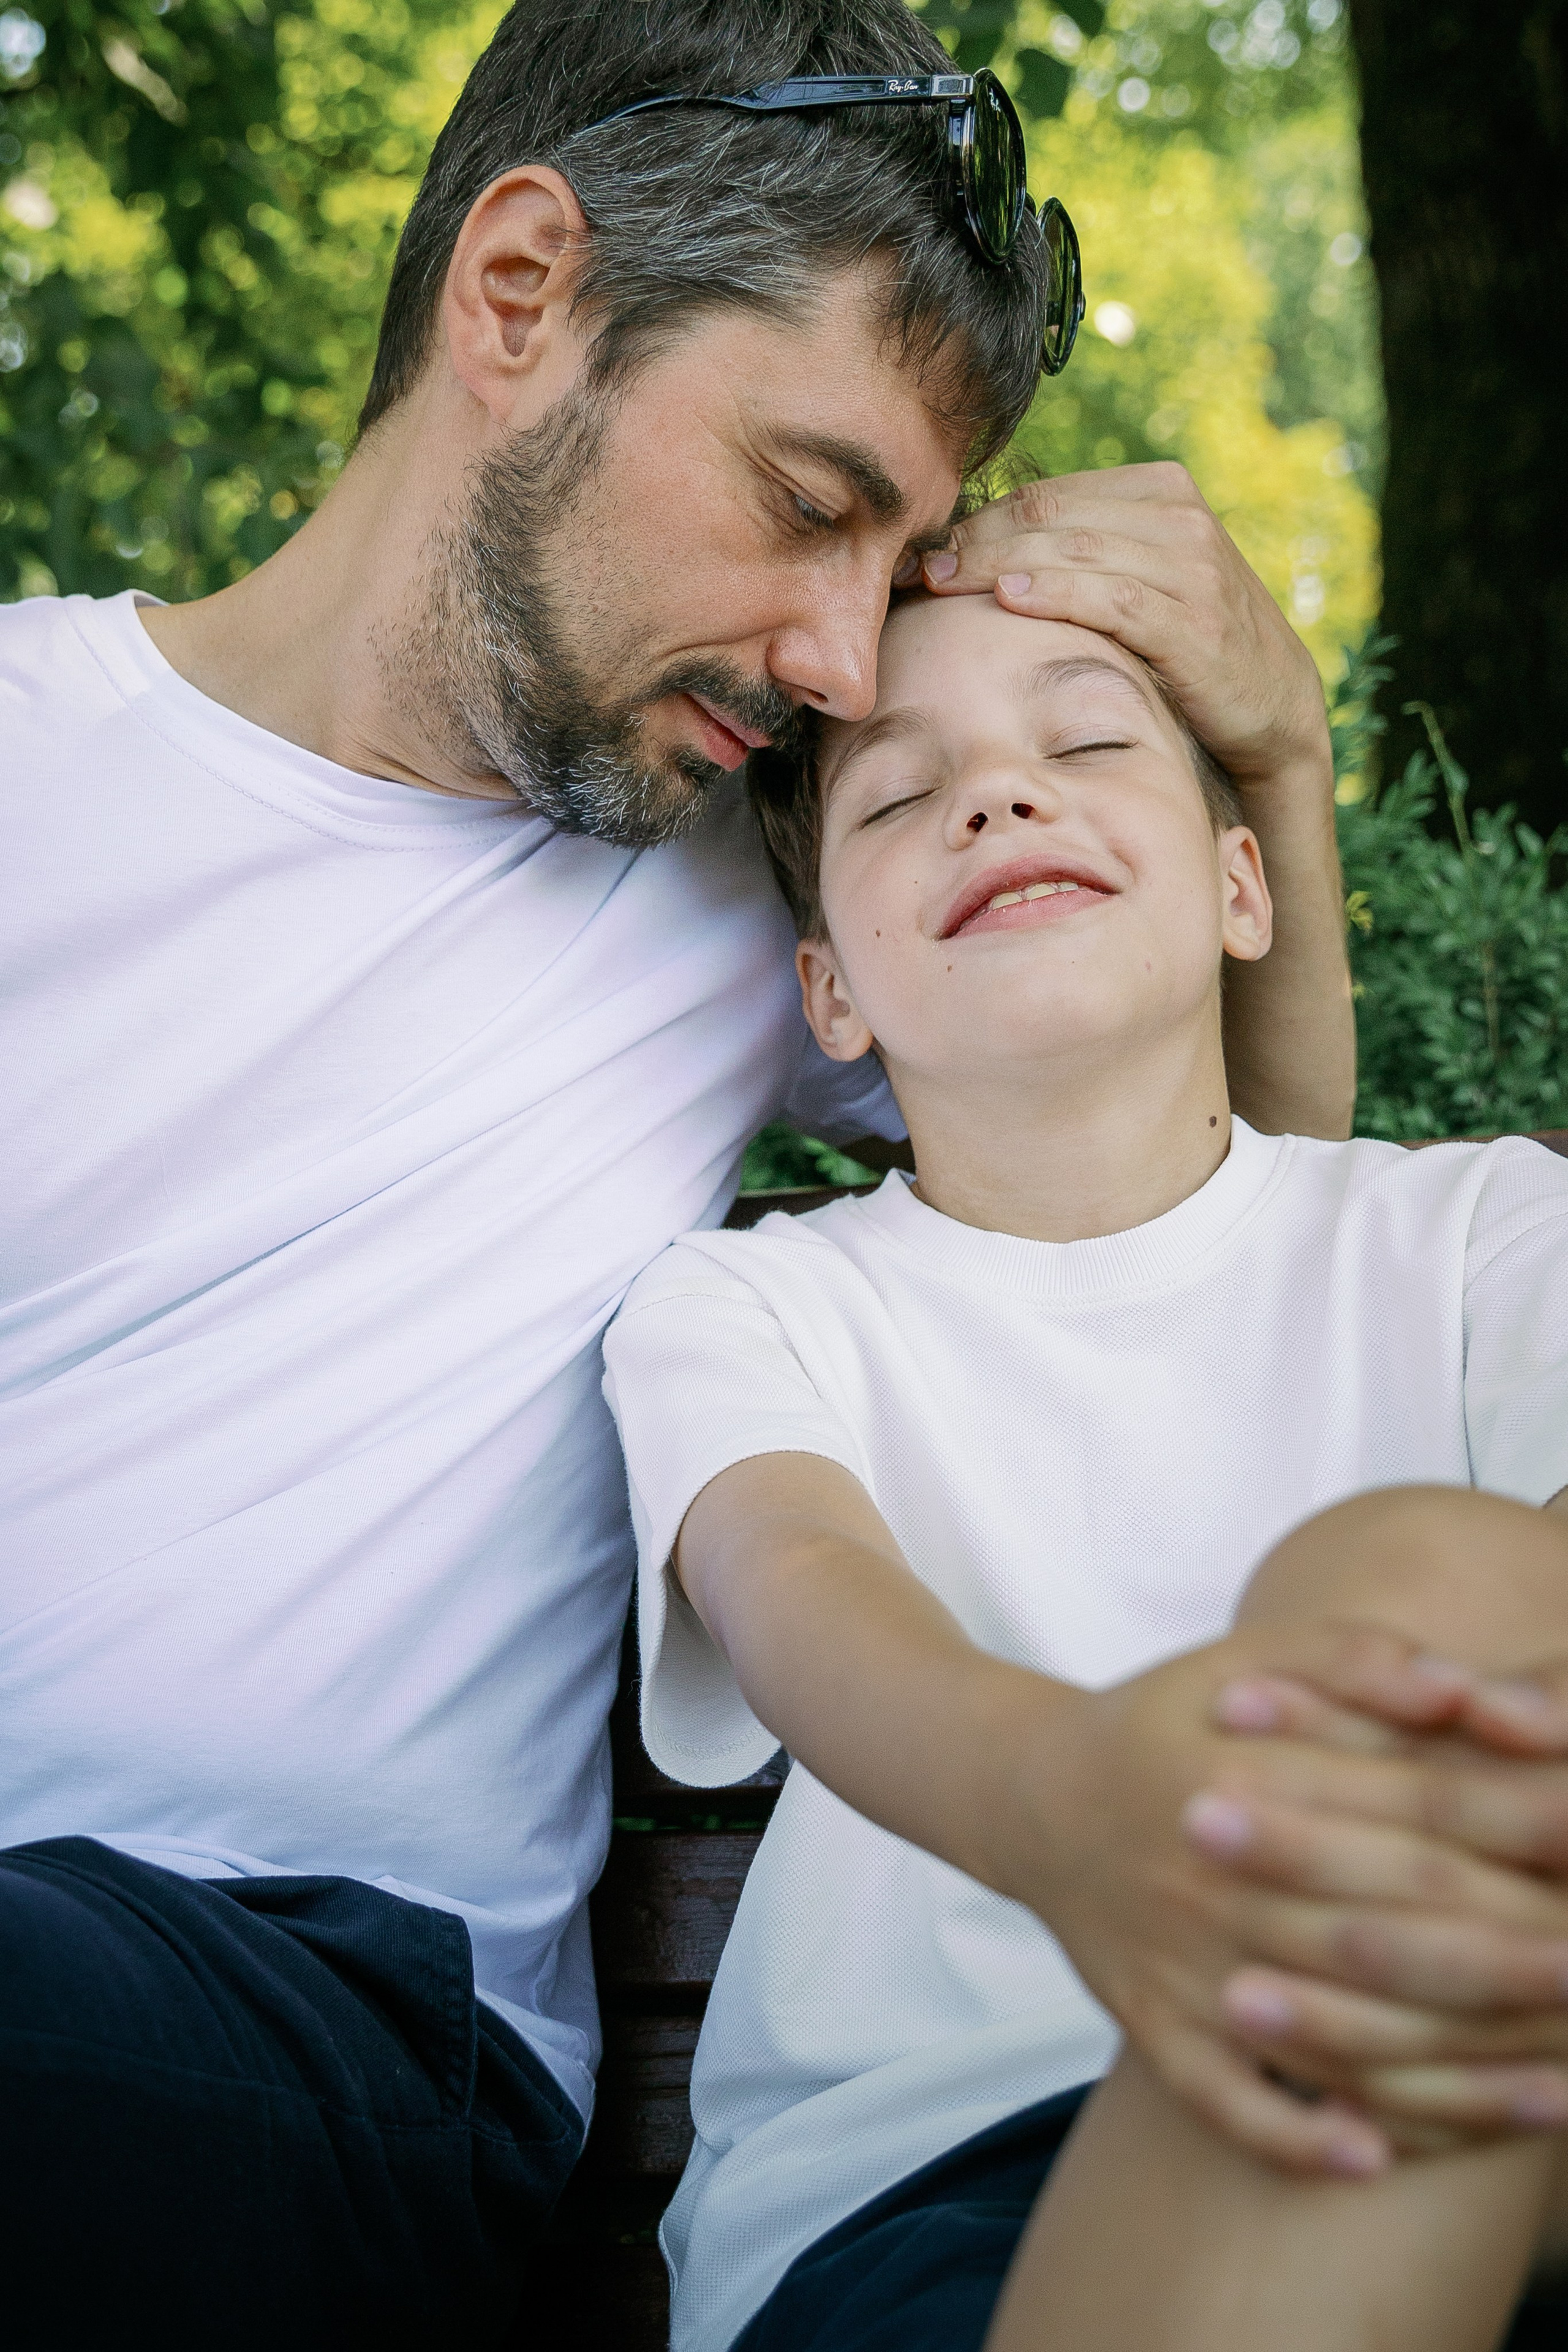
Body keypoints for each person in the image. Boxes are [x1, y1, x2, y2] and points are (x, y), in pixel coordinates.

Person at [1, 0, 1352, 2337]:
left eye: (905, 553)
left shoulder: (779, 897)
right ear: (522, 292)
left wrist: (1282, 765)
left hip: (331, 2019)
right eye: (812, 505)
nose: (846, 661)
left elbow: (1252, 1228)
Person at [601, 585, 1568, 2352]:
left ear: (1241, 884)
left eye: (1090, 741)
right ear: (830, 984)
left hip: (1488, 2113)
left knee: (1437, 1578)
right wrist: (1081, 1811)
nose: (998, 797)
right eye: (900, 797)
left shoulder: (1492, 1236)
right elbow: (800, 1583)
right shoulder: (754, 1304)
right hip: (938, 2176)